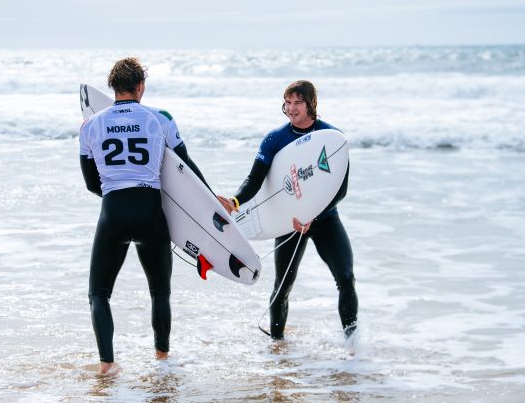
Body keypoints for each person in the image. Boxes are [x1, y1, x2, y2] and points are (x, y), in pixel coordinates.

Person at [79, 57, 210, 375]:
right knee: (160, 291)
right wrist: (213, 204)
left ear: (113, 87)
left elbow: (91, 183)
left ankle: (107, 365)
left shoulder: (90, 125)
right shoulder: (160, 119)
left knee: (99, 294)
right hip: (151, 212)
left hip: (113, 212)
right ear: (141, 87)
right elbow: (185, 170)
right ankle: (162, 359)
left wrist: (117, 197)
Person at [218, 80, 358, 340]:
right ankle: (277, 348)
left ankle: (352, 345)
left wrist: (311, 215)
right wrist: (235, 201)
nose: (291, 108)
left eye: (298, 102)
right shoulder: (275, 139)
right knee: (283, 286)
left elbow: (340, 190)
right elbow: (254, 180)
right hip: (289, 221)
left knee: (346, 278)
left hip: (324, 219)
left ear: (311, 104)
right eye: (287, 102)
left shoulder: (332, 138)